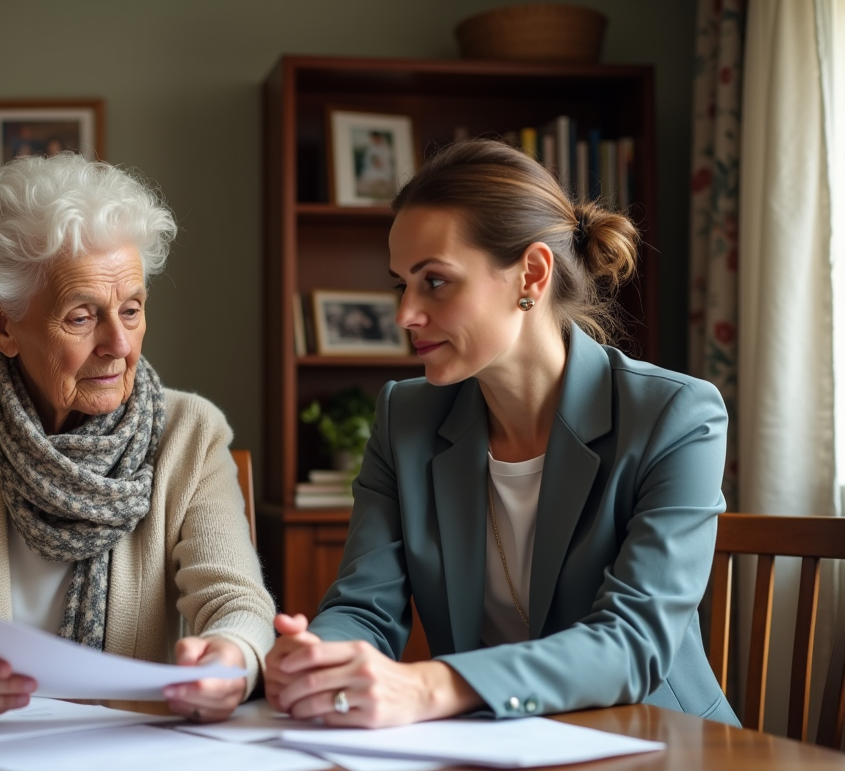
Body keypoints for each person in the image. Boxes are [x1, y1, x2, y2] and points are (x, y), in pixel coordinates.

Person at [265, 138, 738, 729]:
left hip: (663, 752)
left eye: (434, 282)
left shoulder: (676, 415)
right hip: (493, 754)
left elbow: (634, 641)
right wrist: (323, 659)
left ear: (531, 275)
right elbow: (364, 607)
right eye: (400, 285)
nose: (405, 314)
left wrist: (432, 686)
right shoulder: (404, 419)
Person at [0, 153, 274, 724]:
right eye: (82, 317)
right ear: (3, 325)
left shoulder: (192, 432)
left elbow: (238, 605)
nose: (119, 344)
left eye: (131, 311)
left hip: (134, 766)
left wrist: (231, 657)